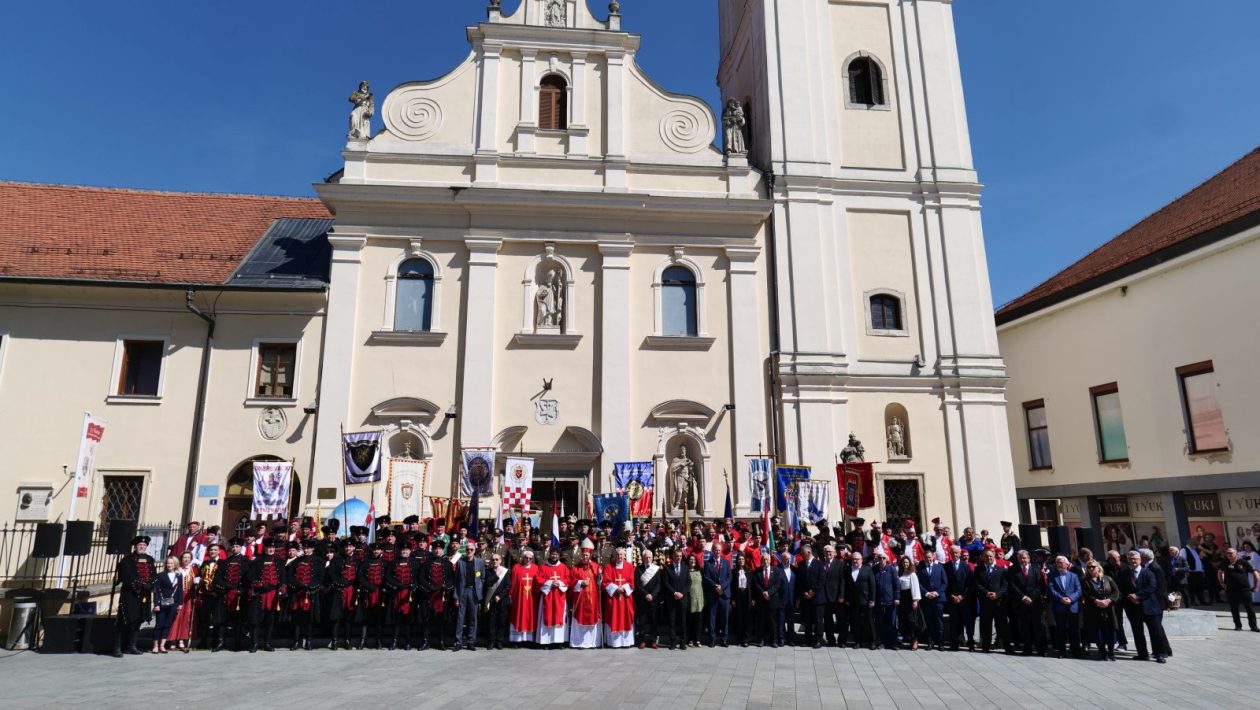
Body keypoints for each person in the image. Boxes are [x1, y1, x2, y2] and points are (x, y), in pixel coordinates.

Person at [112, 535, 157, 657]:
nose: (141, 547)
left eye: (144, 545)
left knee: (138, 620)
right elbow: (126, 576)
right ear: (135, 546)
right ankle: (117, 647)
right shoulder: (128, 559)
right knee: (124, 619)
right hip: (130, 594)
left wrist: (150, 584)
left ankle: (131, 646)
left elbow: (154, 575)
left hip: (144, 595)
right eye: (139, 545)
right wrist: (141, 584)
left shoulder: (150, 559)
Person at [248, 538, 284, 652]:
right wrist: (259, 584)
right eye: (269, 548)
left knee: (270, 620)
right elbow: (251, 578)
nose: (271, 549)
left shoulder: (279, 561)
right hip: (260, 593)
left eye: (273, 548)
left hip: (273, 594)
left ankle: (267, 643)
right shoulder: (257, 561)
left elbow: (283, 578)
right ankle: (254, 644)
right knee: (256, 620)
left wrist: (282, 590)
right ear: (264, 548)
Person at [1006, 549, 1045, 656]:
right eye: (1020, 558)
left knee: (1037, 625)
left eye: (1024, 558)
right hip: (1021, 602)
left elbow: (1040, 585)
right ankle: (1027, 648)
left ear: (1028, 558)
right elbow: (1012, 585)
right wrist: (1023, 597)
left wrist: (1031, 597)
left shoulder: (1036, 569)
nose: (1023, 560)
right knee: (1024, 626)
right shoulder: (1013, 570)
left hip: (1034, 602)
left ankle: (1040, 648)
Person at [288, 538, 324, 650]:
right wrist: (299, 585)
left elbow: (320, 578)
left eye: (309, 548)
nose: (306, 550)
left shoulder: (318, 561)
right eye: (305, 548)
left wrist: (310, 586)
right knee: (297, 619)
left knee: (309, 619)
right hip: (298, 593)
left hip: (311, 593)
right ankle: (296, 641)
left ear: (312, 548)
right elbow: (291, 576)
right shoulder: (297, 561)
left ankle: (309, 641)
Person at [1081, 560, 1120, 661]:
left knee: (1110, 629)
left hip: (1108, 609)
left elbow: (1116, 591)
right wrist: (1096, 601)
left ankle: (1111, 652)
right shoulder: (1085, 581)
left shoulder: (1107, 579)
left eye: (1093, 566)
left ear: (1098, 567)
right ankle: (1103, 652)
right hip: (1094, 609)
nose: (1091, 569)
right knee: (1098, 631)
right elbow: (1085, 594)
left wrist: (1109, 600)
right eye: (1088, 567)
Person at [419, 542, 455, 650]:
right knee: (426, 619)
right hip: (428, 596)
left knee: (442, 620)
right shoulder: (426, 564)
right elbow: (421, 579)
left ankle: (442, 641)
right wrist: (429, 587)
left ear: (443, 550)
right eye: (435, 549)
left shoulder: (448, 564)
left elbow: (452, 580)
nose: (437, 551)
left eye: (439, 549)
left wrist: (445, 587)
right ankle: (425, 641)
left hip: (442, 596)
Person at [1047, 555, 1082, 658]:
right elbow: (1051, 590)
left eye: (1061, 562)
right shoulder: (1052, 576)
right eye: (1057, 562)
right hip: (1059, 606)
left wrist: (1070, 599)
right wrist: (1061, 598)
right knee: (1060, 630)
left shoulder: (1074, 576)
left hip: (1072, 607)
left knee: (1074, 630)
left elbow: (1078, 590)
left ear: (1067, 564)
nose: (1059, 564)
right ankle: (1062, 651)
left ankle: (1076, 650)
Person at [327, 538, 359, 650]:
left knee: (348, 617)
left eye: (350, 546)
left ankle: (347, 640)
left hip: (351, 590)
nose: (348, 548)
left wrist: (351, 583)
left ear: (354, 547)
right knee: (336, 617)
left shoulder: (357, 559)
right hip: (338, 590)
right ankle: (334, 640)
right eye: (346, 546)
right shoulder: (337, 559)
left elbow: (359, 574)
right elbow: (331, 573)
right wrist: (341, 582)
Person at [973, 549, 1007, 653]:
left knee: (1002, 624)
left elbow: (1005, 585)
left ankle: (1007, 647)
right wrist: (986, 592)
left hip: (998, 602)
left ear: (994, 557)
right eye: (987, 556)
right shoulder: (978, 569)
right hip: (985, 601)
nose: (989, 558)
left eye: (991, 556)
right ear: (983, 557)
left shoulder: (1000, 569)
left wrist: (997, 594)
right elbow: (977, 583)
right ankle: (986, 646)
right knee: (985, 625)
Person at [1218, 547, 1260, 632]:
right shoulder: (1225, 562)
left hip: (1244, 589)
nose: (1229, 555)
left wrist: (1256, 586)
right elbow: (1220, 572)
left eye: (1231, 553)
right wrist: (1222, 583)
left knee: (1249, 608)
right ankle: (1238, 625)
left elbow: (1255, 573)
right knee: (1234, 608)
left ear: (1236, 553)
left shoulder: (1243, 562)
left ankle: (1253, 626)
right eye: (1227, 553)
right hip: (1231, 590)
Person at [569, 547, 603, 649]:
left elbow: (600, 582)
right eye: (583, 555)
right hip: (581, 599)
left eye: (587, 555)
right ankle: (578, 642)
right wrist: (581, 582)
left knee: (593, 618)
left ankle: (593, 643)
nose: (585, 557)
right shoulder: (575, 568)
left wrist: (600, 575)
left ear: (590, 556)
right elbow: (571, 581)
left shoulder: (595, 567)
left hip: (593, 599)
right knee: (579, 618)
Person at [537, 547, 570, 648]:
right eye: (552, 554)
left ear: (558, 555)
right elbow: (538, 579)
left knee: (559, 616)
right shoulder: (543, 567)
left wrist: (559, 583)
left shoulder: (563, 567)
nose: (554, 556)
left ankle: (559, 641)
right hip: (548, 596)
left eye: (556, 554)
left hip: (560, 596)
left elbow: (568, 579)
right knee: (547, 616)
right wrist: (551, 583)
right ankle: (546, 642)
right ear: (549, 554)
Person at [453, 543, 484, 650]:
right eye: (468, 549)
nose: (469, 551)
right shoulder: (460, 562)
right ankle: (458, 642)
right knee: (460, 618)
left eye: (471, 549)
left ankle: (471, 641)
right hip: (462, 592)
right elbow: (456, 580)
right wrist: (456, 596)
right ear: (465, 551)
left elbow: (482, 577)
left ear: (475, 551)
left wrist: (479, 589)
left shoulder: (479, 562)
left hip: (474, 592)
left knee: (473, 618)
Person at [507, 549, 541, 646]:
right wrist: (510, 594)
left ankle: (529, 640)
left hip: (531, 598)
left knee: (530, 617)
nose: (528, 560)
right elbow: (513, 582)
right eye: (526, 558)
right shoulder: (516, 568)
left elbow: (538, 583)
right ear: (523, 558)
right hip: (519, 597)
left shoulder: (536, 568)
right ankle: (517, 640)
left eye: (530, 558)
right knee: (518, 615)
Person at [166, 551, 198, 652]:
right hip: (178, 597)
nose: (186, 559)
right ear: (181, 558)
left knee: (186, 618)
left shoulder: (194, 570)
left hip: (189, 597)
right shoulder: (177, 570)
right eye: (184, 557)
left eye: (188, 557)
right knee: (176, 617)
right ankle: (172, 640)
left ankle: (181, 639)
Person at [151, 555, 184, 654]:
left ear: (175, 565)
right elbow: (156, 591)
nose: (169, 565)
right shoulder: (160, 575)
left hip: (174, 603)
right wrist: (156, 604)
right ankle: (155, 645)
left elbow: (180, 590)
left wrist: (180, 603)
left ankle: (162, 645)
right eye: (168, 563)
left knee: (167, 625)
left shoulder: (179, 575)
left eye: (171, 563)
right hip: (162, 603)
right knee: (159, 625)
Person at [750, 548, 782, 647]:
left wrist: (769, 593)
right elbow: (756, 584)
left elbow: (777, 585)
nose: (765, 561)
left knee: (773, 622)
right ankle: (761, 640)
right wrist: (763, 592)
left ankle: (774, 640)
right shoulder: (757, 571)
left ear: (770, 560)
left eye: (767, 559)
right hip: (761, 600)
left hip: (772, 600)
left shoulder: (776, 570)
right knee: (761, 622)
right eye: (763, 559)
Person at [945, 545, 974, 651]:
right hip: (952, 599)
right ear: (950, 554)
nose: (955, 555)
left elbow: (969, 584)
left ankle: (970, 643)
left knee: (968, 622)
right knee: (954, 622)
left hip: (964, 599)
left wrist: (962, 596)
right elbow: (945, 583)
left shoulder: (966, 566)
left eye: (956, 553)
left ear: (960, 554)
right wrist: (951, 595)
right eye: (952, 553)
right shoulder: (946, 566)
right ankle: (954, 644)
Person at [918, 550, 948, 650]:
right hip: (926, 599)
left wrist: (936, 593)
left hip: (938, 599)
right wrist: (926, 593)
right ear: (923, 558)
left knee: (939, 621)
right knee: (929, 621)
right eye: (927, 557)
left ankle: (940, 643)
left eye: (930, 557)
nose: (929, 559)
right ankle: (930, 642)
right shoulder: (920, 568)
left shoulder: (939, 567)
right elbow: (918, 583)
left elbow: (945, 583)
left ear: (933, 557)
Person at [703, 547, 732, 647]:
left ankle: (724, 638)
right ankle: (712, 638)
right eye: (716, 550)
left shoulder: (726, 562)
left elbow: (729, 577)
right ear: (712, 551)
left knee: (725, 618)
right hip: (713, 594)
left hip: (724, 595)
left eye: (719, 550)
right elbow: (706, 577)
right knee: (712, 618)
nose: (718, 552)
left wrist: (722, 587)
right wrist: (716, 586)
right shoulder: (707, 563)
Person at [634, 549, 662, 649]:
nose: (648, 559)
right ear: (643, 558)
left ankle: (653, 640)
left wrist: (652, 595)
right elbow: (637, 584)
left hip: (653, 599)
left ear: (652, 557)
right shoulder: (638, 569)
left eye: (650, 557)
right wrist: (646, 594)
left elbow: (659, 584)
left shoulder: (656, 569)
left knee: (653, 620)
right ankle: (642, 641)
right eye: (646, 557)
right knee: (642, 620)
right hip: (642, 598)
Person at [872, 552, 900, 650]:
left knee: (891, 623)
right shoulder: (874, 569)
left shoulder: (892, 570)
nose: (882, 560)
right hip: (878, 601)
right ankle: (881, 642)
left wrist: (897, 598)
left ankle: (892, 643)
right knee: (880, 623)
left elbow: (897, 584)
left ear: (886, 559)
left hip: (890, 601)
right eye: (880, 558)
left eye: (884, 558)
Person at [483, 552, 511, 649]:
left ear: (500, 561)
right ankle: (491, 641)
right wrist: (496, 575)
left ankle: (499, 641)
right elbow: (488, 583)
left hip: (502, 600)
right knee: (492, 621)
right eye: (493, 559)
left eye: (496, 559)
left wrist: (500, 596)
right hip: (491, 599)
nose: (494, 561)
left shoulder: (505, 571)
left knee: (501, 621)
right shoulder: (488, 571)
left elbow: (508, 586)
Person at [894, 555, 922, 649]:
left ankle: (914, 640)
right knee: (903, 619)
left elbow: (916, 587)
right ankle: (905, 638)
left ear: (909, 563)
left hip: (910, 598)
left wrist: (915, 600)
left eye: (907, 562)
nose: (905, 564)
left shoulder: (912, 574)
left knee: (912, 620)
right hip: (902, 598)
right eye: (903, 562)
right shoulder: (899, 573)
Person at [795, 544, 822, 646]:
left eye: (803, 553)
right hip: (805, 598)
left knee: (818, 620)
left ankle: (818, 640)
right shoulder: (801, 564)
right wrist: (804, 592)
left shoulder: (819, 564)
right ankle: (807, 639)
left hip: (817, 598)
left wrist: (813, 591)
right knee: (807, 620)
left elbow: (821, 580)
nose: (801, 555)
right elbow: (799, 581)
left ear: (809, 553)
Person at [730, 554, 753, 646]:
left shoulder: (749, 571)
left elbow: (752, 586)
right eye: (739, 559)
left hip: (747, 597)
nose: (741, 560)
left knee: (747, 618)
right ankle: (739, 639)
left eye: (742, 559)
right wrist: (732, 599)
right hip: (738, 597)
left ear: (745, 560)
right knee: (739, 619)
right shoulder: (734, 571)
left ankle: (746, 639)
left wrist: (753, 598)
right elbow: (732, 586)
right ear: (737, 561)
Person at [686, 554, 705, 647]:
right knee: (690, 620)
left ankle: (697, 639)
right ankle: (690, 639)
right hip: (690, 599)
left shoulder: (700, 570)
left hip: (699, 599)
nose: (692, 561)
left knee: (699, 620)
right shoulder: (685, 571)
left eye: (694, 559)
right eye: (691, 559)